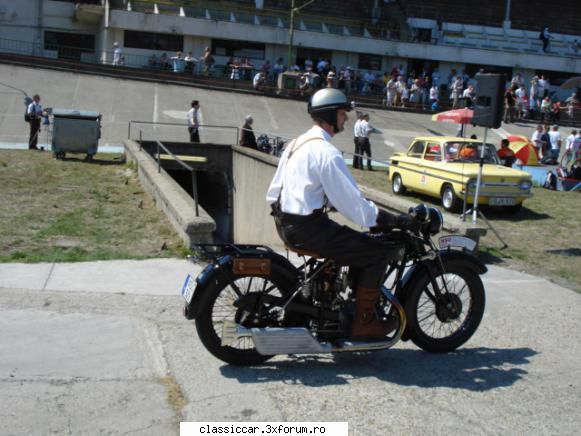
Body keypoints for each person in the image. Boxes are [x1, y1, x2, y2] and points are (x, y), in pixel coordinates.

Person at [266, 88, 418, 339]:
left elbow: (280, 191)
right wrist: (392, 220)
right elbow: (356, 207)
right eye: (342, 113)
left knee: (357, 244)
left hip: (286, 221)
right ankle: (364, 323)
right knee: (376, 253)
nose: (345, 118)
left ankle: (341, 304)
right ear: (330, 115)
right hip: (308, 228)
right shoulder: (326, 153)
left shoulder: (298, 143)